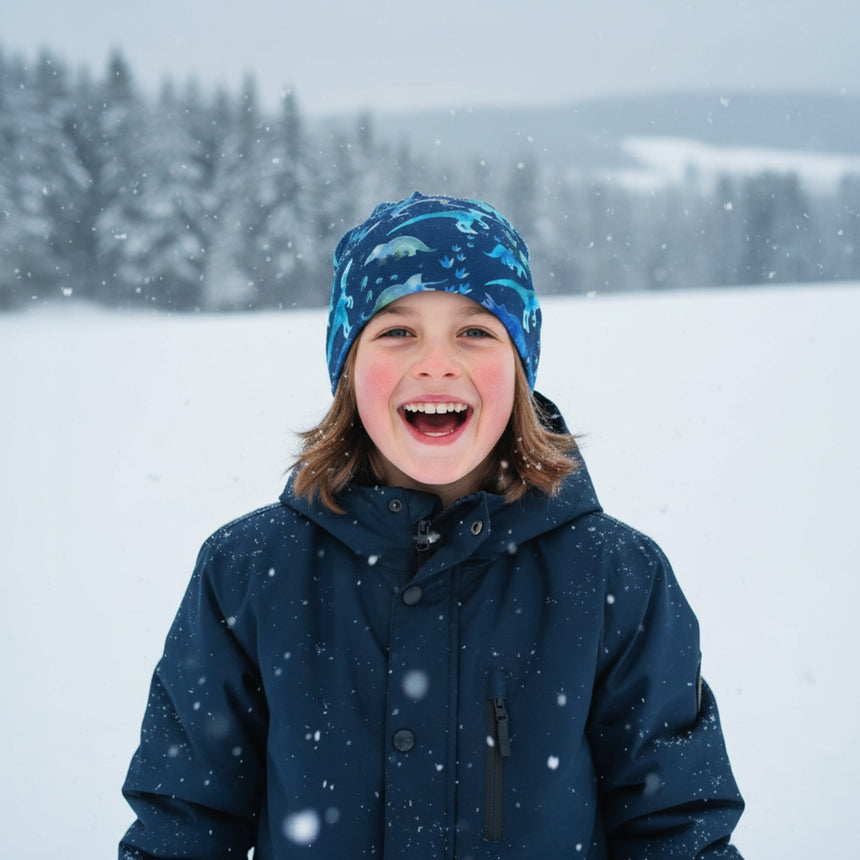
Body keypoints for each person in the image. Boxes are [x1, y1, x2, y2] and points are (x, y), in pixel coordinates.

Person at [119, 191, 745, 858]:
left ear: (520, 364)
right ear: (349, 365)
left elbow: (678, 829)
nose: (437, 363)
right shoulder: (247, 572)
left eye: (476, 331)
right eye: (397, 331)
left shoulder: (617, 576)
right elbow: (183, 825)